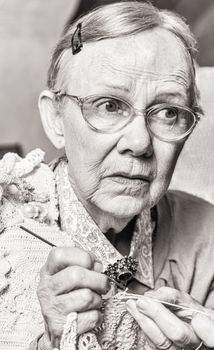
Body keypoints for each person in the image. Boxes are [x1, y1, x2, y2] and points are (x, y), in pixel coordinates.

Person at [0, 1, 214, 350]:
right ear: (55, 119)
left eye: (168, 112)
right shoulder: (7, 227)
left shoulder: (208, 233)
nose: (140, 142)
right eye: (109, 106)